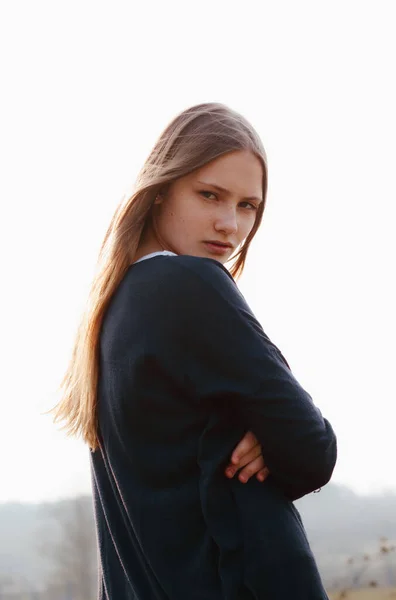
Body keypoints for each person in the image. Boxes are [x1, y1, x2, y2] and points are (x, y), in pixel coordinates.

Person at [51, 102, 337, 599]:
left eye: (248, 205)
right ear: (161, 192)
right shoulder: (189, 284)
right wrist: (276, 437)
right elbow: (313, 450)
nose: (230, 223)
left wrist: (271, 435)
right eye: (210, 195)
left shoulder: (112, 307)